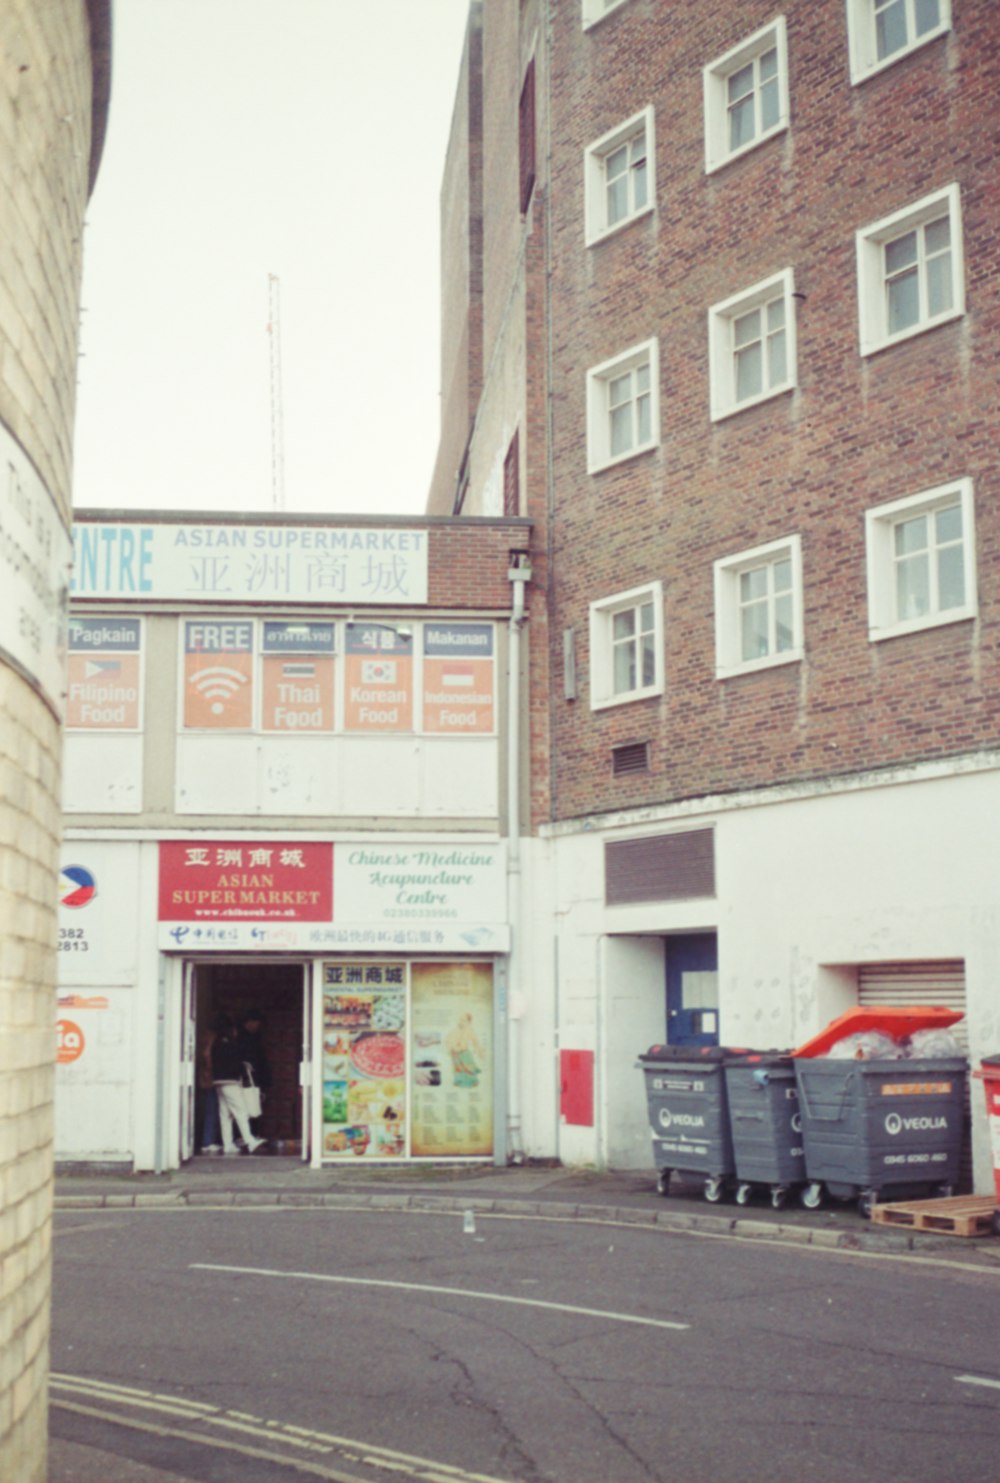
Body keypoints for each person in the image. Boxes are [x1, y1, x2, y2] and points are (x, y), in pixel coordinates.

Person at [210, 1011, 265, 1155]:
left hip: (218, 1081)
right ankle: (250, 1141)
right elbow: (234, 1063)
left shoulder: (217, 1042)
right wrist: (243, 1067)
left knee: (225, 1114)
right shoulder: (230, 1044)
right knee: (241, 1111)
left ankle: (228, 1144)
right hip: (230, 1081)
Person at [236, 1010, 272, 1136]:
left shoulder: (252, 1037)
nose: (257, 1025)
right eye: (256, 1022)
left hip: (253, 1078)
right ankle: (248, 1136)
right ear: (249, 1022)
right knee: (249, 1106)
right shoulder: (243, 1038)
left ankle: (250, 1135)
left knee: (252, 1106)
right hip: (249, 1078)